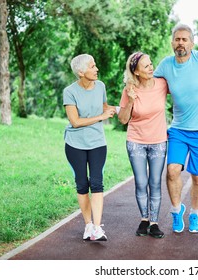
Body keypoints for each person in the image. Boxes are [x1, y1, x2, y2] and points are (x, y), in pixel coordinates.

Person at [153, 24, 198, 233]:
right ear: (172, 42)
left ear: (192, 42)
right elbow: (149, 85)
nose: (181, 43)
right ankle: (176, 210)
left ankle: (194, 214)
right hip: (178, 129)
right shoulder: (165, 65)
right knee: (172, 171)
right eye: (177, 39)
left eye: (185, 39)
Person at [63, 54, 117, 241]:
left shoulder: (100, 86)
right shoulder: (69, 92)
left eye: (95, 66)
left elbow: (104, 107)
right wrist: (100, 117)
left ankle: (96, 227)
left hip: (97, 143)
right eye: (92, 66)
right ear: (81, 72)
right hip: (75, 144)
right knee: (82, 184)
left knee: (97, 182)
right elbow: (75, 121)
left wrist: (123, 107)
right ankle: (87, 226)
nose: (96, 69)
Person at [118, 52, 168, 238]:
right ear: (136, 72)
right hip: (136, 141)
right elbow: (123, 119)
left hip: (158, 141)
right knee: (141, 182)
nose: (151, 68)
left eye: (151, 64)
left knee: (155, 182)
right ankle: (144, 219)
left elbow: (181, 89)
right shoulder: (129, 90)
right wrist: (130, 100)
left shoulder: (162, 84)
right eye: (146, 66)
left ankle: (154, 223)